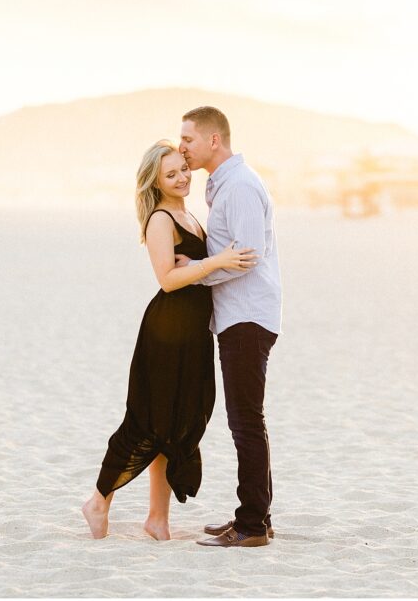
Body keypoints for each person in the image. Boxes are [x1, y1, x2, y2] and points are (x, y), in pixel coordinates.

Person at [81, 139, 258, 541]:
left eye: (183, 169)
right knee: (145, 422)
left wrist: (207, 264)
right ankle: (98, 502)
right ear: (155, 181)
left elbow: (192, 269)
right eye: (170, 174)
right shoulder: (161, 219)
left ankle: (157, 519)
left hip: (192, 334)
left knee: (174, 425)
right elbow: (168, 279)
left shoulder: (188, 214)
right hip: (166, 333)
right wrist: (216, 261)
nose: (181, 178)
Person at [176, 106, 283, 548]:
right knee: (247, 420)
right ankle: (256, 517)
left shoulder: (238, 186)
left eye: (188, 139)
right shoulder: (226, 183)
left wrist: (196, 270)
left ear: (213, 140)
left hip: (247, 316)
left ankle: (251, 526)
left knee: (245, 421)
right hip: (240, 314)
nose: (182, 147)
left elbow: (247, 255)